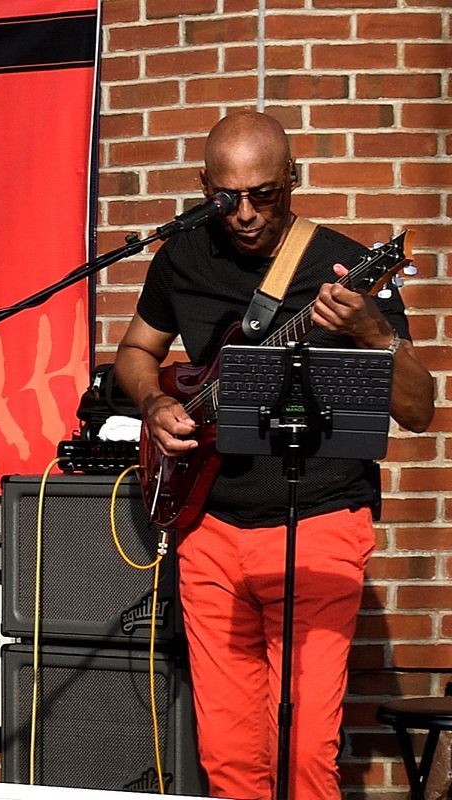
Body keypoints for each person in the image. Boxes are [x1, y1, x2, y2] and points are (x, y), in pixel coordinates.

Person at [114, 111, 434, 800]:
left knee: (305, 759)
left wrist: (373, 330)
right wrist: (153, 404)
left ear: (295, 180)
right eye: (231, 198)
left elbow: (419, 410)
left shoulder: (343, 265)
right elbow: (136, 353)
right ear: (205, 188)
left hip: (318, 525)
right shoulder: (183, 258)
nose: (249, 214)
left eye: (268, 194)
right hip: (211, 530)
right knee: (228, 759)